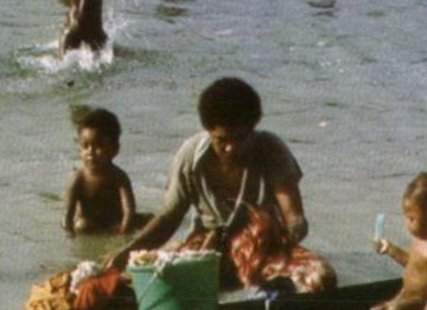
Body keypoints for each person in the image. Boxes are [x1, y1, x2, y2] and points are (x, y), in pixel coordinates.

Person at [103, 78, 336, 293]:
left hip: (265, 247)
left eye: (240, 139)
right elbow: (169, 217)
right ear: (209, 132)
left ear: (252, 130)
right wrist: (126, 252)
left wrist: (279, 237)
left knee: (321, 277)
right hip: (208, 246)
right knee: (143, 279)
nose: (231, 149)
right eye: (222, 141)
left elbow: (295, 217)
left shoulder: (271, 149)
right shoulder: (191, 156)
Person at [370, 173, 427, 310]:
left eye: (411, 218)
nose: (407, 223)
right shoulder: (419, 240)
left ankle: (393, 307)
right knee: (388, 306)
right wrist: (389, 248)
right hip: (407, 293)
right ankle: (390, 305)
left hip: (424, 299)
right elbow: (411, 263)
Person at [64, 108, 139, 236]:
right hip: (90, 224)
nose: (90, 152)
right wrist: (69, 232)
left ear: (115, 149)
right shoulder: (78, 178)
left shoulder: (119, 177)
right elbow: (68, 214)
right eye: (85, 146)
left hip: (115, 223)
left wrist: (124, 233)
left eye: (98, 146)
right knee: (81, 225)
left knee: (150, 219)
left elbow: (129, 210)